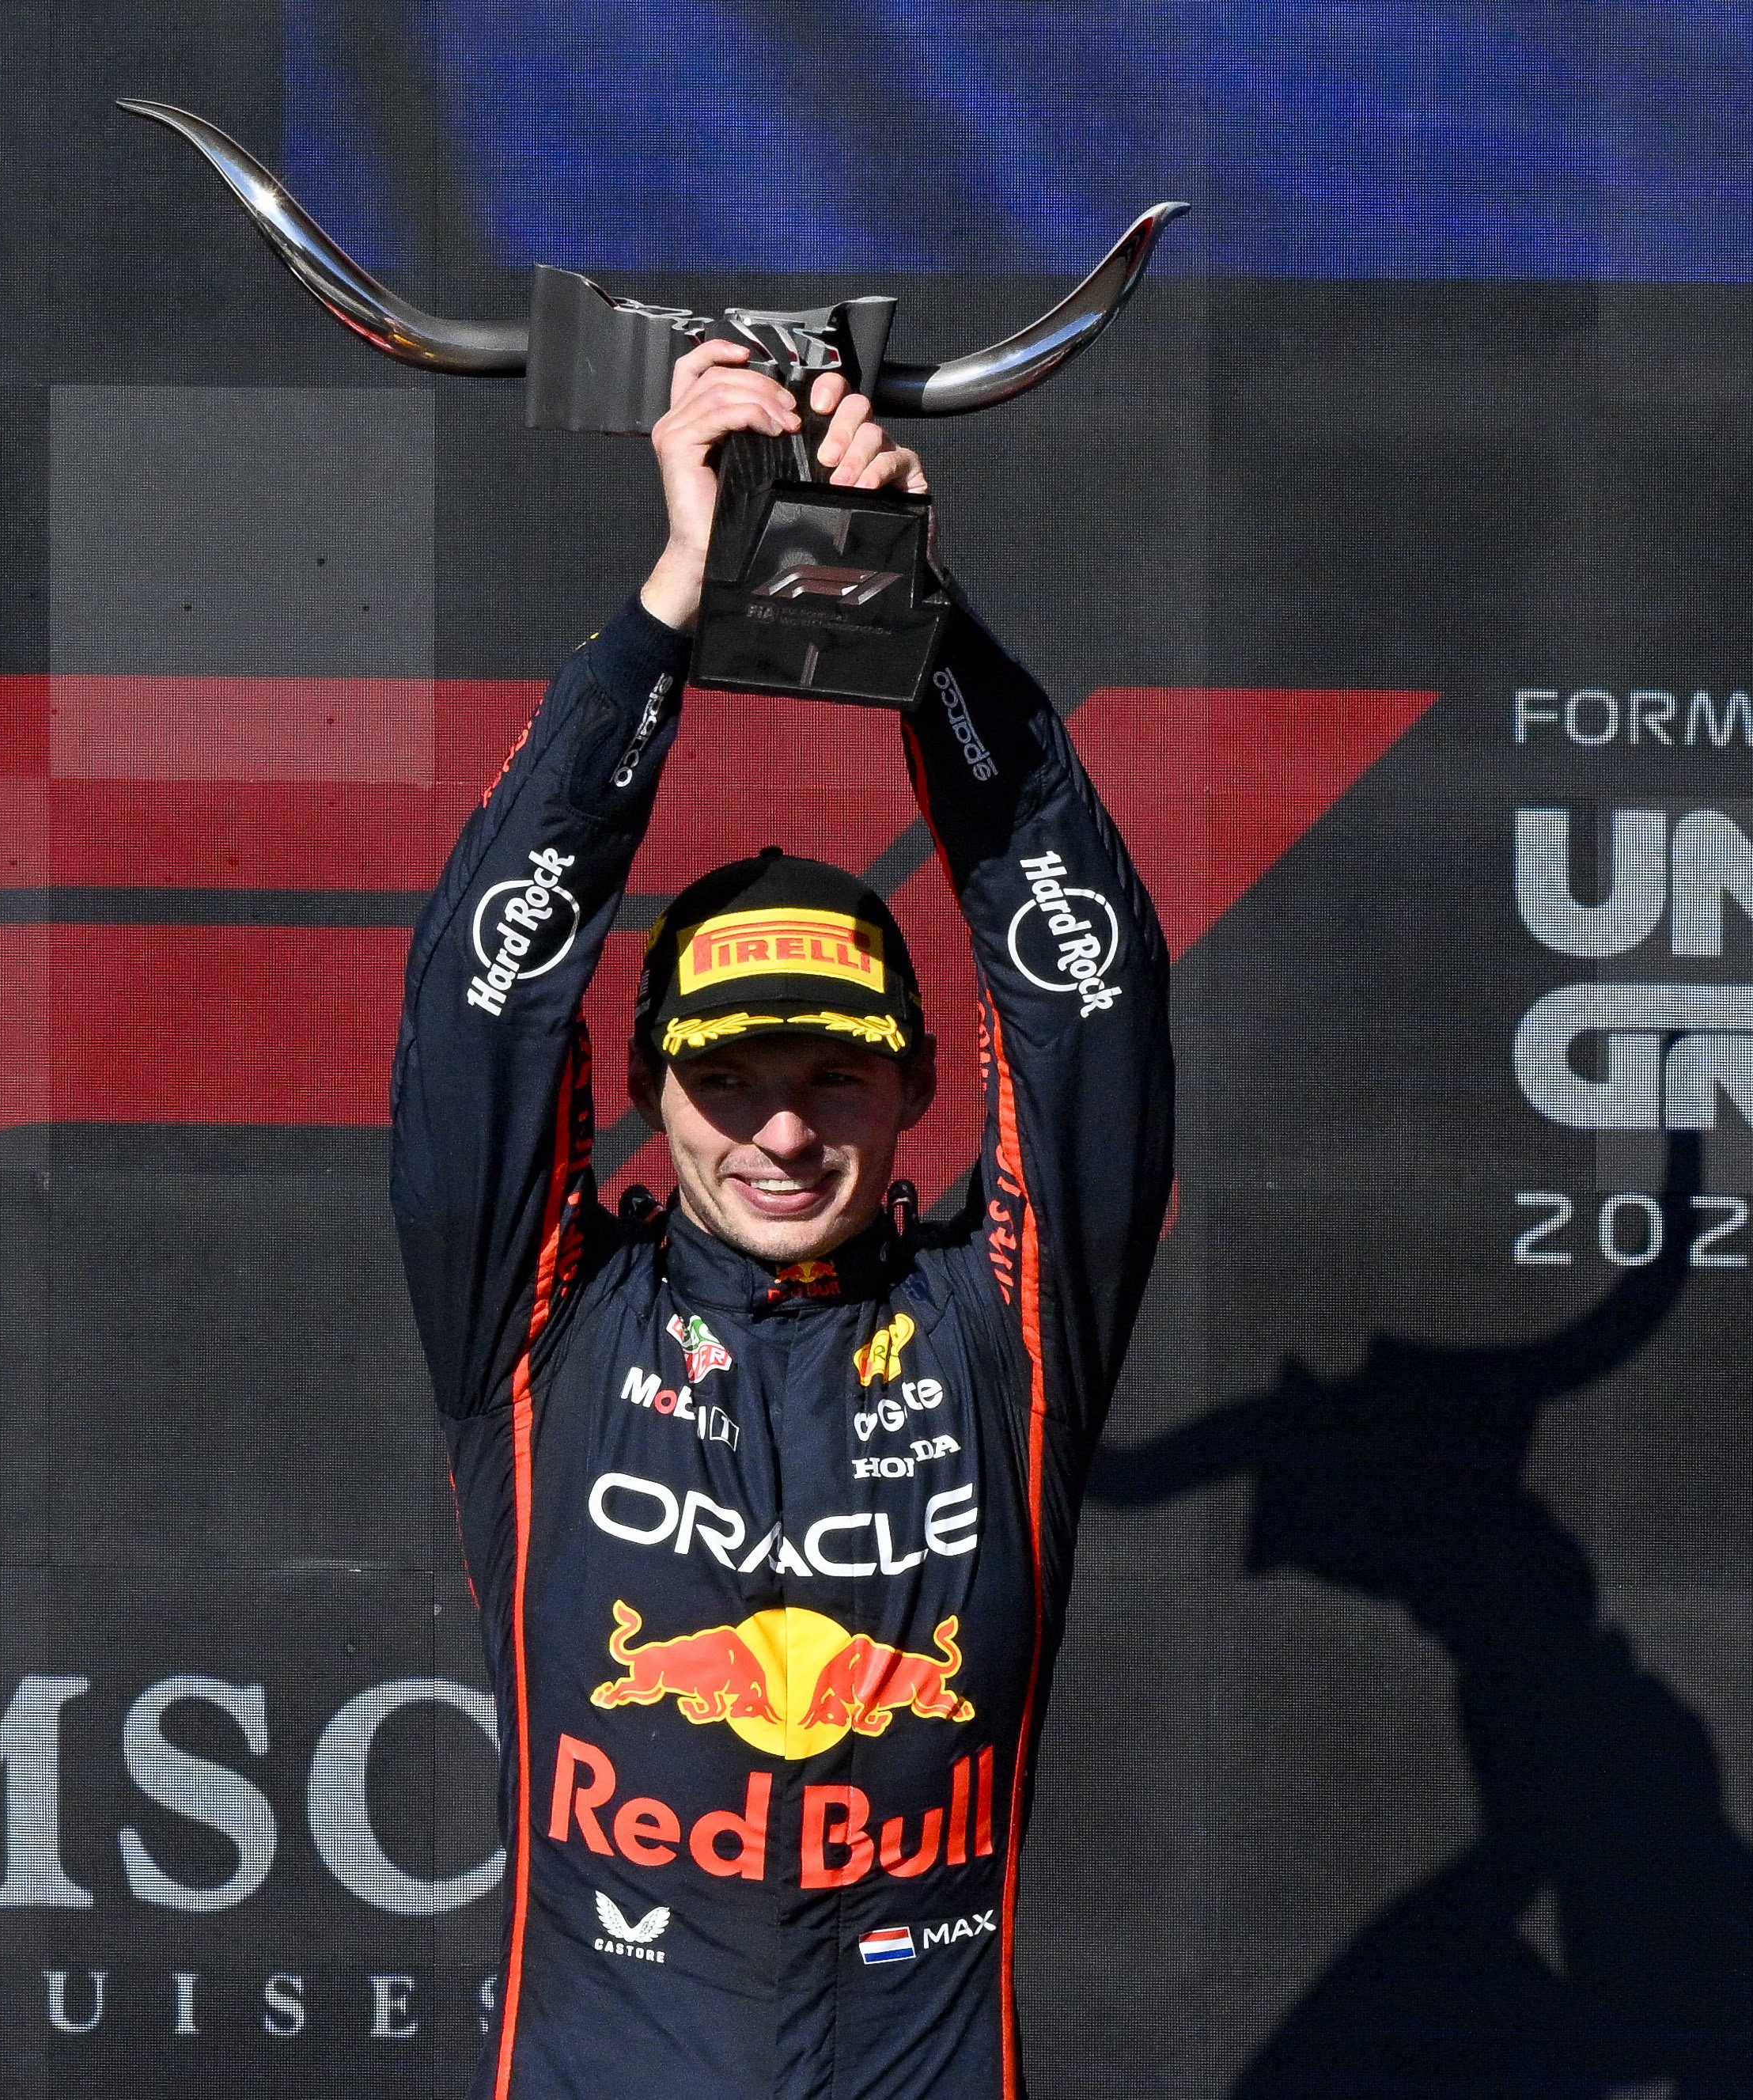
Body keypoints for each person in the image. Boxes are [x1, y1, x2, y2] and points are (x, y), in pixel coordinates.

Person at [392, 337, 1174, 2100]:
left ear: (913, 1092)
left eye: (831, 1074)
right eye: (728, 1077)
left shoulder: (1006, 1335)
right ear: (650, 1095)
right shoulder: (536, 1335)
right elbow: (483, 1003)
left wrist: (918, 625)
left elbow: (1087, 996)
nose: (776, 1126)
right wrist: (668, 604)